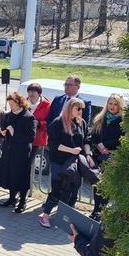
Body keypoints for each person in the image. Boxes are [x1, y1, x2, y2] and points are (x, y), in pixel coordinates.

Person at [39, 98, 92, 228]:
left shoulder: (82, 123)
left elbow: (86, 139)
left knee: (73, 188)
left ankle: (64, 217)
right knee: (57, 189)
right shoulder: (58, 122)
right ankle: (45, 216)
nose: (80, 111)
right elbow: (53, 144)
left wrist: (88, 155)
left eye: (82, 109)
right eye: (78, 108)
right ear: (70, 108)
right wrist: (71, 150)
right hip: (59, 161)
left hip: (75, 162)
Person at [0, 92, 37, 213]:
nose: (11, 107)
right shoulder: (8, 115)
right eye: (10, 104)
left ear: (20, 103)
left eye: (13, 104)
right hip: (9, 149)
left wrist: (15, 134)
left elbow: (31, 138)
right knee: (10, 174)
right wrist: (3, 133)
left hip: (22, 152)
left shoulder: (28, 117)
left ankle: (22, 201)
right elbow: (4, 129)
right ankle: (12, 198)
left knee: (21, 176)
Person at [89, 93, 125, 218]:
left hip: (113, 157)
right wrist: (99, 144)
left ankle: (101, 212)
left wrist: (108, 147)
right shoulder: (100, 118)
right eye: (110, 103)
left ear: (120, 106)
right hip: (99, 156)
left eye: (115, 104)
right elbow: (94, 134)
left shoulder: (123, 121)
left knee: (106, 186)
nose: (112, 106)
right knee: (97, 184)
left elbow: (123, 139)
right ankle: (95, 210)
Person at [27, 83, 51, 190]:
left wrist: (39, 123)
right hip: (22, 138)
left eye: (34, 92)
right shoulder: (23, 102)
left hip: (36, 139)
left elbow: (50, 123)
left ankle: (25, 190)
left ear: (39, 93)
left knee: (27, 165)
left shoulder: (46, 105)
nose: (31, 94)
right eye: (29, 91)